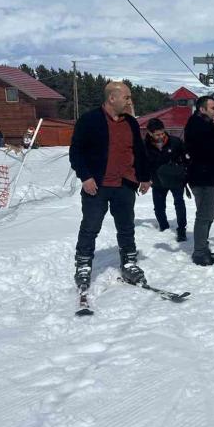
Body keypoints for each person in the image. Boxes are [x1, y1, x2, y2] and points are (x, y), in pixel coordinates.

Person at [69, 81, 151, 288]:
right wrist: (85, 176)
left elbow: (139, 151)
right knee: (90, 226)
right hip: (97, 184)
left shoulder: (131, 122)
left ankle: (130, 262)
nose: (130, 101)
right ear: (112, 98)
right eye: (127, 97)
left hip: (125, 184)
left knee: (126, 227)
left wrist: (144, 176)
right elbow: (76, 152)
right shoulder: (89, 120)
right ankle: (83, 265)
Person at [185, 95, 214, 265]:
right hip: (201, 177)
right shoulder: (195, 124)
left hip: (210, 177)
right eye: (212, 108)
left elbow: (210, 129)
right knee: (204, 215)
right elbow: (204, 132)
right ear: (202, 109)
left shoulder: (205, 124)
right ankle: (199, 252)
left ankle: (203, 247)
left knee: (210, 212)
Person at [144, 118, 187, 242]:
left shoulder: (175, 142)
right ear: (150, 133)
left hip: (175, 179)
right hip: (157, 181)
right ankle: (164, 226)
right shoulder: (145, 146)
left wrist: (183, 171)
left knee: (179, 203)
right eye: (157, 134)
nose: (160, 136)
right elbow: (142, 164)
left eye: (162, 133)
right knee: (158, 207)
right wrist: (145, 179)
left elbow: (185, 158)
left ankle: (181, 229)